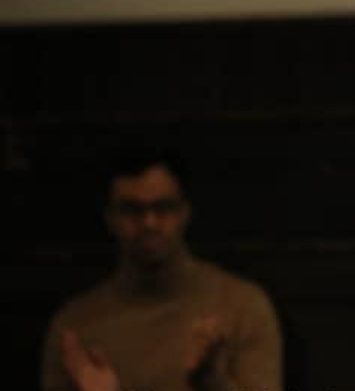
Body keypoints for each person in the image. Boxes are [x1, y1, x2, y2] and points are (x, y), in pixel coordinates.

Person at [41, 147, 282, 391]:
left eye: (164, 207)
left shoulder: (243, 308)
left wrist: (212, 384)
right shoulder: (76, 327)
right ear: (110, 218)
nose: (149, 223)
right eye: (132, 210)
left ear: (185, 212)